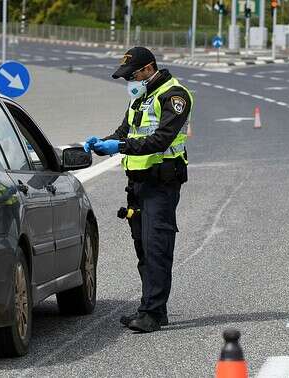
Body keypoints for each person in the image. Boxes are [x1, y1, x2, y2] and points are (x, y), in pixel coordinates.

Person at [84, 47, 193, 333]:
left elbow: (161, 139)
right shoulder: (140, 98)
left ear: (148, 69)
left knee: (157, 247)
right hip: (138, 183)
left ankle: (152, 313)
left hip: (162, 182)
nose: (128, 82)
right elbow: (125, 133)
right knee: (143, 247)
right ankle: (152, 308)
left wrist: (119, 147)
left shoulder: (174, 96)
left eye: (131, 76)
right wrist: (102, 142)